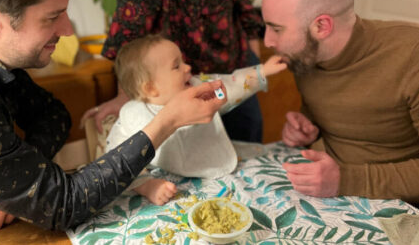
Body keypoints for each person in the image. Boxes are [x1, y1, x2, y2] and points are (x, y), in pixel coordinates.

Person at [0, 0, 225, 234]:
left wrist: (10, 181)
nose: (67, 30)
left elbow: (54, 115)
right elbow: (65, 203)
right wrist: (168, 120)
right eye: (52, 17)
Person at [261, 0, 419, 210]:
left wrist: (345, 180)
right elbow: (337, 113)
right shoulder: (306, 56)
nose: (267, 41)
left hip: (407, 205)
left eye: (276, 29)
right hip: (333, 193)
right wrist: (308, 129)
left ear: (321, 27)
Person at [82, 0, 266, 143]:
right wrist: (124, 95)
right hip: (177, 85)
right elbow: (132, 24)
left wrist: (255, 61)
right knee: (188, 152)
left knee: (245, 141)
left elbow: (239, 2)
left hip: (231, 71)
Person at [95, 35, 286, 205]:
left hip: (217, 169)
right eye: (177, 66)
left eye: (183, 61)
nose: (188, 67)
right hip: (166, 178)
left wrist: (262, 71)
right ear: (151, 88)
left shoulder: (199, 88)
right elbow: (117, 159)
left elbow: (228, 85)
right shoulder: (133, 114)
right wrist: (146, 186)